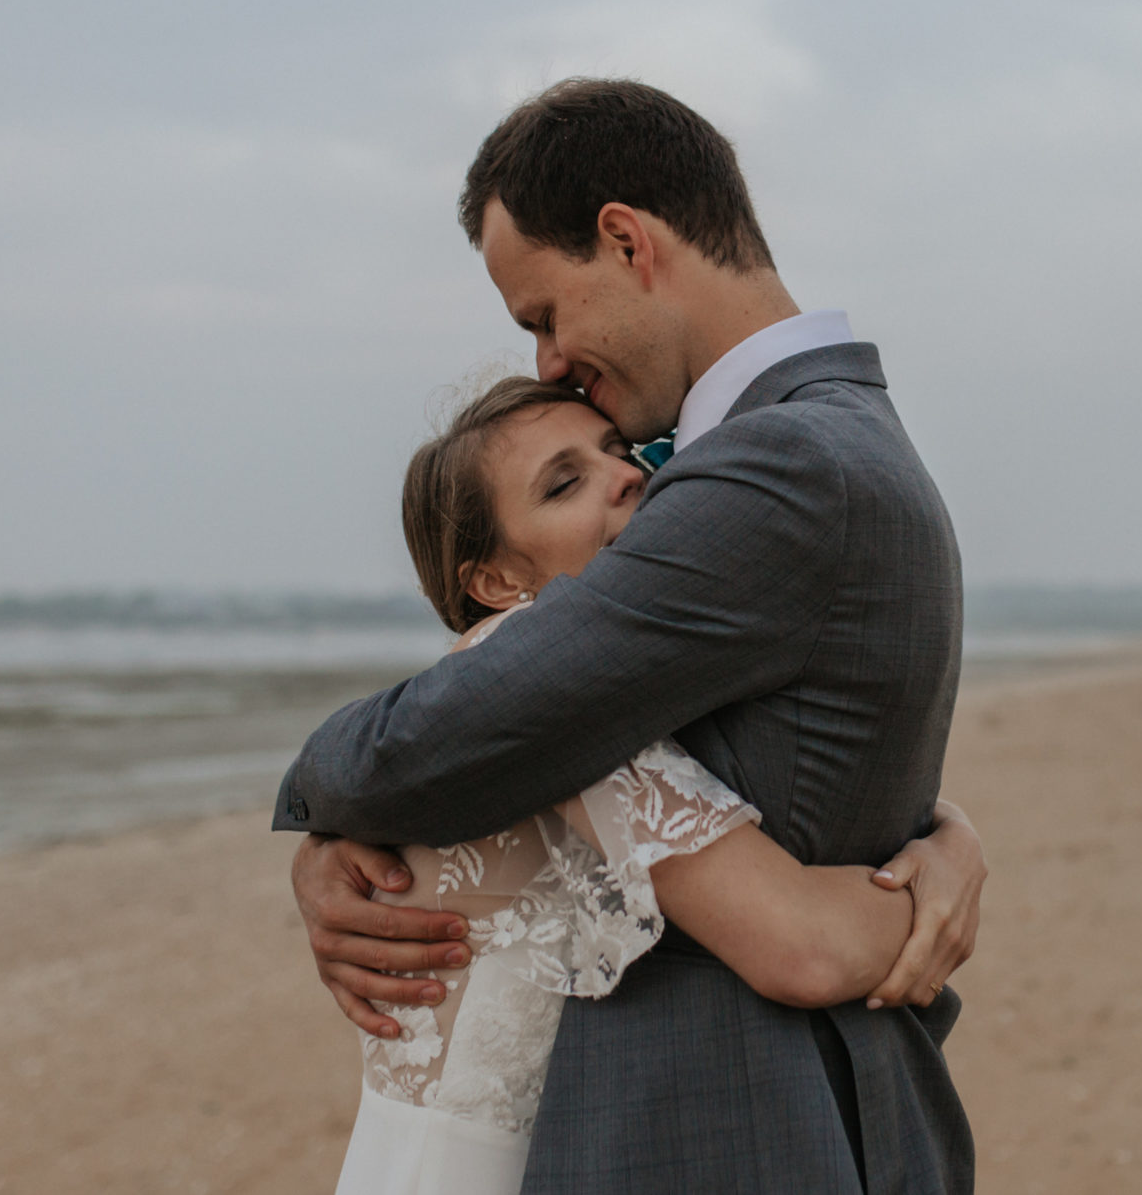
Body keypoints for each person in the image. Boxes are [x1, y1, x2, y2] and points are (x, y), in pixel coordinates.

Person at [278, 78, 978, 1192]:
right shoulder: (823, 444)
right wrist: (941, 837)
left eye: (543, 315)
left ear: (623, 239)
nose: (548, 360)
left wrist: (321, 800)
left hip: (733, 1131)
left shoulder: (775, 467)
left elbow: (491, 718)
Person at [332, 375, 984, 1193]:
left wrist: (951, 826)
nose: (629, 474)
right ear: (494, 581)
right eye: (564, 483)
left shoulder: (499, 694)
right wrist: (948, 873)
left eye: (619, 450)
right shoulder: (542, 681)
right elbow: (803, 947)